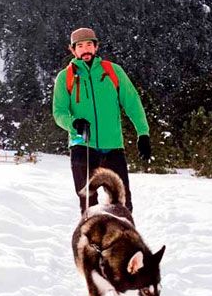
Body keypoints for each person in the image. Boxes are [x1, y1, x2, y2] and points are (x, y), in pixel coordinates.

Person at [52, 27, 151, 213]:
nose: (85, 49)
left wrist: (143, 133)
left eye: (89, 44)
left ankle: (124, 240)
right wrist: (73, 123)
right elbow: (59, 112)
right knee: (88, 205)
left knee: (122, 203)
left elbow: (132, 103)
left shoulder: (113, 71)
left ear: (96, 47)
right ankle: (92, 242)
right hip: (82, 145)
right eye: (79, 46)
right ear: (73, 50)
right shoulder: (65, 77)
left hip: (113, 146)